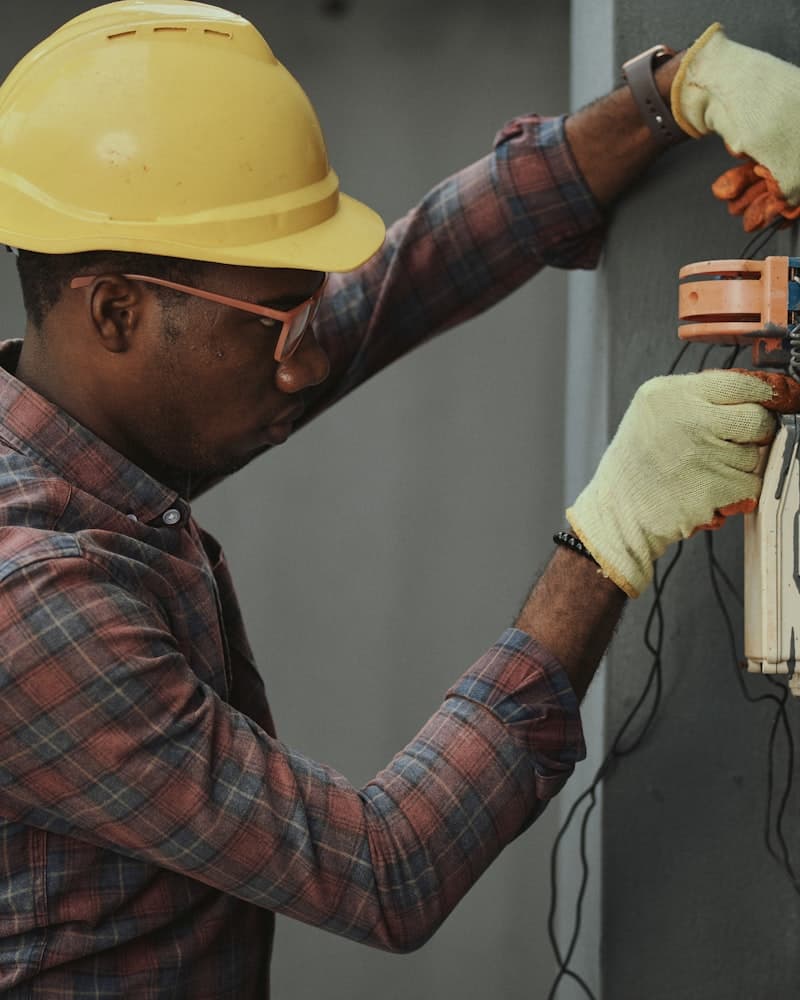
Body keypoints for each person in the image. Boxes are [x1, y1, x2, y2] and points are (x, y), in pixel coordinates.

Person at [0, 4, 797, 996]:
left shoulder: (89, 424)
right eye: (275, 326)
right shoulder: (31, 604)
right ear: (115, 309)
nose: (302, 364)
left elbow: (402, 280)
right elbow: (382, 869)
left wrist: (668, 95)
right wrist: (604, 539)